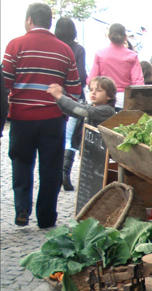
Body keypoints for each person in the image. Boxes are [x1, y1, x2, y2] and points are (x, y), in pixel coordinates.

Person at [2, 3, 81, 228]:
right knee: (50, 168)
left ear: (29, 20)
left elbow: (4, 83)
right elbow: (75, 90)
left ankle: (22, 210)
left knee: (21, 163)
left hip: (21, 118)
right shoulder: (65, 50)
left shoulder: (15, 45)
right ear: (50, 22)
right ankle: (46, 217)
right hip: (53, 120)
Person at [54, 16, 86, 191]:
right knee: (69, 137)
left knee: (58, 135)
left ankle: (56, 171)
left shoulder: (53, 47)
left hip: (54, 97)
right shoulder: (78, 49)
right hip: (73, 98)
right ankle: (65, 172)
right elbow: (81, 76)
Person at [88, 23, 143, 109]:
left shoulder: (100, 54)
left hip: (103, 97)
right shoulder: (132, 56)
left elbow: (91, 79)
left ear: (109, 36)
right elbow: (138, 82)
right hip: (125, 98)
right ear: (125, 37)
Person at [47, 76, 117, 128]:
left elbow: (83, 111)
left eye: (99, 90)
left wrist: (60, 96)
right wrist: (58, 98)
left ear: (109, 96)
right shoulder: (92, 106)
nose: (93, 93)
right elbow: (72, 111)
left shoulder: (107, 110)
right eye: (91, 90)